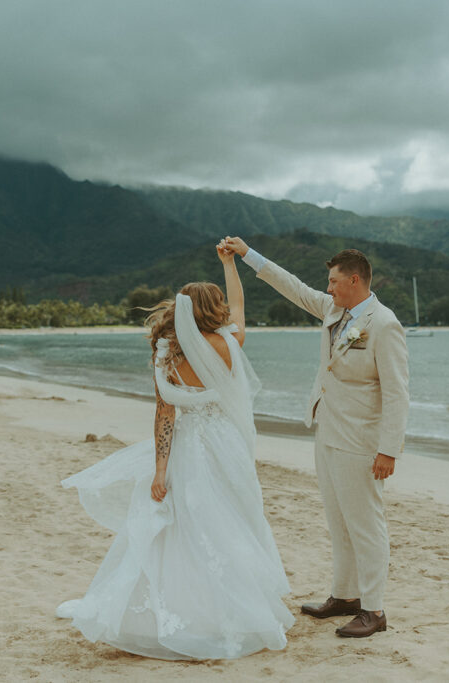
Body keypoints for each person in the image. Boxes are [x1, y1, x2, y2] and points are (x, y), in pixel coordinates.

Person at [55, 243, 294, 660]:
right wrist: (229, 265)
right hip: (227, 446)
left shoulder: (167, 353)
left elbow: (165, 415)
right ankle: (232, 609)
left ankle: (171, 610)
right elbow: (238, 304)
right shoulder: (229, 343)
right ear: (212, 311)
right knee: (232, 522)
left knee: (181, 525)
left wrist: (160, 471)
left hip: (188, 448)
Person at [220, 236, 409, 639]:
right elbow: (292, 286)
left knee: (366, 523)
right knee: (337, 518)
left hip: (361, 440)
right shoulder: (331, 309)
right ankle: (344, 597)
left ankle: (374, 609)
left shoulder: (385, 324)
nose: (327, 288)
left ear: (354, 280)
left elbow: (397, 393)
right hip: (327, 429)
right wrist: (247, 254)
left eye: (334, 282)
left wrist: (388, 450)